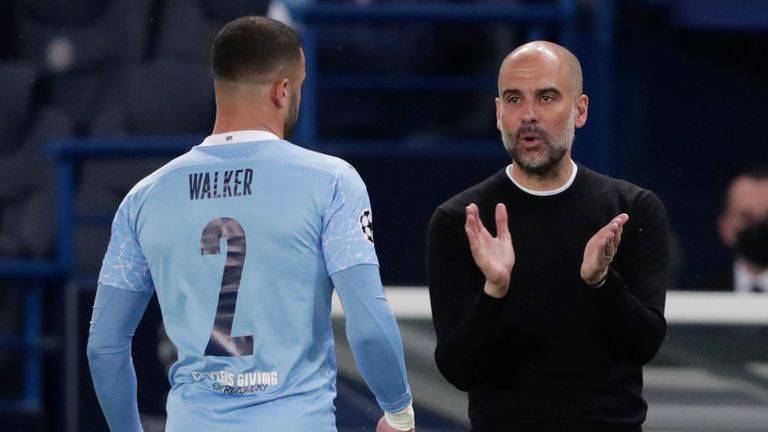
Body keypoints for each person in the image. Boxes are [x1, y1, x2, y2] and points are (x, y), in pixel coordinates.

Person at [87, 16, 415, 432]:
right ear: (282, 91)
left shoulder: (145, 197)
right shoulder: (331, 182)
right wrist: (399, 412)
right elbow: (368, 325)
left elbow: (104, 347)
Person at [426, 41, 669, 431]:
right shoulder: (461, 221)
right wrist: (495, 290)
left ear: (581, 110)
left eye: (547, 97)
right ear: (497, 113)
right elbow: (458, 370)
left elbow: (644, 346)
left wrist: (601, 283)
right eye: (514, 99)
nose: (528, 115)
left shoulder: (631, 211)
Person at [717, 166, 768, 292]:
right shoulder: (701, 295)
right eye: (747, 218)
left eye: (767, 218)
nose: (758, 226)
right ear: (725, 226)